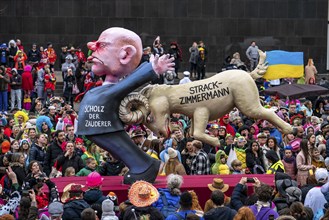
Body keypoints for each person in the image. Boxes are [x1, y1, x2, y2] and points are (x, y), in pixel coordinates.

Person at [77, 27, 174, 184]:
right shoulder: (105, 89)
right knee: (120, 146)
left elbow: (130, 82)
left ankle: (144, 165)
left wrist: (152, 69)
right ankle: (144, 164)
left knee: (121, 146)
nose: (92, 48)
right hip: (99, 126)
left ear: (125, 54)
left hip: (104, 126)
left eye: (101, 46)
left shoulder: (112, 90)